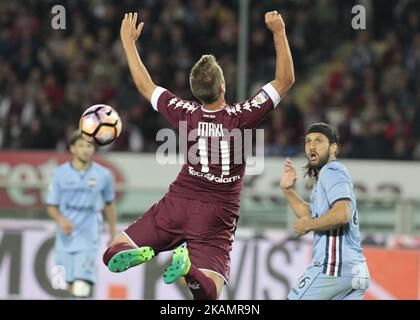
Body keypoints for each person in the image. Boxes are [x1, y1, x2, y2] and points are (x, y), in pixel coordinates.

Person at [103, 11, 294, 300]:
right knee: (208, 296)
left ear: (195, 91)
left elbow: (145, 86)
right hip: (218, 212)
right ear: (222, 87)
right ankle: (189, 270)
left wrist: (128, 42)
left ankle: (143, 252)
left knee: (113, 251)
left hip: (178, 201)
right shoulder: (241, 116)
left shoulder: (184, 111)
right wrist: (278, 31)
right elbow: (285, 80)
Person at [280, 123, 370, 300]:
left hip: (333, 268)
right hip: (356, 272)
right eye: (308, 142)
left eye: (319, 141)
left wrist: (309, 225)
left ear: (333, 147)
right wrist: (287, 191)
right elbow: (313, 216)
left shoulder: (332, 171)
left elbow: (343, 213)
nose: (312, 146)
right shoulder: (324, 177)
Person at [46, 130, 117, 298]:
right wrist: (60, 220)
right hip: (65, 235)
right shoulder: (59, 173)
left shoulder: (103, 175)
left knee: (82, 286)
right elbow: (51, 205)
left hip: (89, 231)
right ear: (72, 148)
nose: (86, 149)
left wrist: (113, 233)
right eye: (81, 145)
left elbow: (110, 204)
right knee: (65, 284)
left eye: (89, 146)